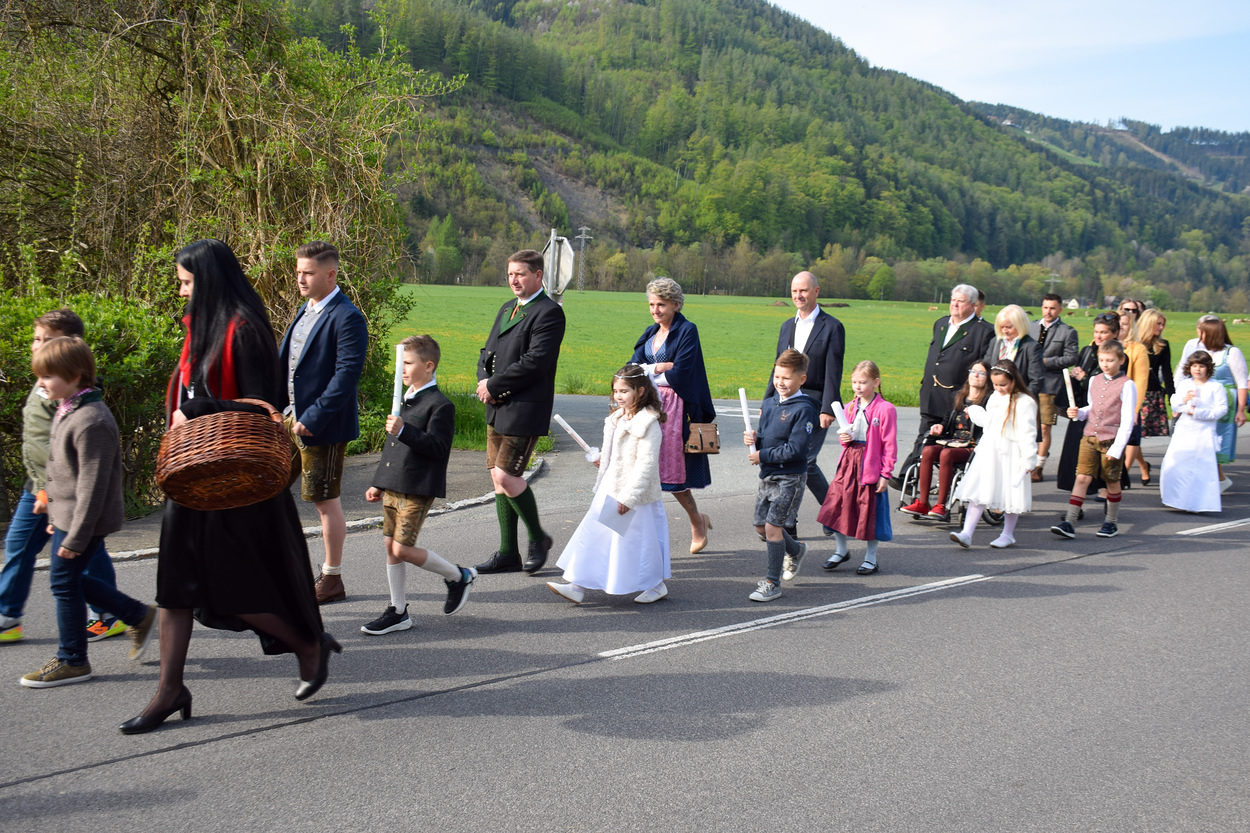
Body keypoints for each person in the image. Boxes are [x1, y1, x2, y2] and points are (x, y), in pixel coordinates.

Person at [122, 238, 338, 735]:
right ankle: (169, 690)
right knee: (174, 588)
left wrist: (195, 410)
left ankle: (308, 644)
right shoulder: (201, 330)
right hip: (193, 479)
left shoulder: (245, 331)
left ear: (209, 281)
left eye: (186, 282)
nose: (181, 292)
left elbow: (261, 407)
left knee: (232, 588)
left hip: (237, 485)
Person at [19, 337, 156, 688]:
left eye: (48, 376)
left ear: (76, 375)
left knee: (64, 583)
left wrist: (76, 536)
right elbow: (64, 470)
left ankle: (73, 660)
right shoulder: (69, 408)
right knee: (68, 580)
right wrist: (54, 512)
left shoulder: (92, 420)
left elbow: (92, 488)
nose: (41, 383)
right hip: (69, 517)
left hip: (86, 521)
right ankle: (136, 615)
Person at [1, 309, 124, 644]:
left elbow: (79, 453)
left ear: (72, 347)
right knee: (21, 547)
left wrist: (47, 489)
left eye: (48, 340)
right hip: (39, 485)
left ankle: (109, 616)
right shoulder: (47, 381)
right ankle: (8, 616)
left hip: (58, 489)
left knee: (81, 551)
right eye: (36, 339)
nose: (38, 345)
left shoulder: (72, 390)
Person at [361, 335, 475, 635]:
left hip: (418, 486)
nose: (402, 369)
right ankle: (398, 611)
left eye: (408, 363)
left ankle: (458, 576)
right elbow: (392, 448)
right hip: (393, 483)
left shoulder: (441, 405)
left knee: (402, 549)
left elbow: (438, 448)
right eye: (400, 363)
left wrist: (404, 430)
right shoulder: (404, 398)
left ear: (429, 366)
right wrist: (378, 482)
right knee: (390, 546)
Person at [278, 241, 368, 604]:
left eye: (308, 273)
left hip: (322, 427)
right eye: (298, 272)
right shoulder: (307, 308)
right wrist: (277, 408)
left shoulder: (347, 317)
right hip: (289, 419)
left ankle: (331, 579)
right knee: (269, 490)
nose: (300, 279)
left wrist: (314, 416)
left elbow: (346, 376)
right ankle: (276, 568)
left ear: (330, 275)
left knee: (324, 502)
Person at [474, 249, 567, 575]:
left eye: (521, 274)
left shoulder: (549, 313)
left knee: (506, 475)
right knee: (497, 478)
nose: (514, 280)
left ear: (537, 275)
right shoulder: (507, 308)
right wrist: (483, 381)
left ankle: (539, 538)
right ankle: (507, 553)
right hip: (497, 406)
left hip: (525, 408)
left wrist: (494, 385)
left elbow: (535, 362)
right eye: (511, 274)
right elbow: (488, 352)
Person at [547, 365, 671, 605]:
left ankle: (656, 585)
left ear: (641, 391)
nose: (618, 396)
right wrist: (602, 459)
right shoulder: (617, 418)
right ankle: (576, 586)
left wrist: (629, 497)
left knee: (638, 543)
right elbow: (616, 454)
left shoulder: (648, 424)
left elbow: (646, 464)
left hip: (634, 495)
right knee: (594, 535)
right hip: (611, 487)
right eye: (616, 391)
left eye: (624, 391)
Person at [630, 277, 717, 554]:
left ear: (676, 305)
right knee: (641, 469)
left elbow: (682, 373)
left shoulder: (687, 330)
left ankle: (696, 520)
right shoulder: (650, 332)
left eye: (661, 305)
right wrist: (658, 368)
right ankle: (641, 537)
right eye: (652, 304)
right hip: (647, 406)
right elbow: (632, 368)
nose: (655, 310)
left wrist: (650, 372)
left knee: (671, 472)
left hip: (675, 410)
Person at [765, 271, 846, 537]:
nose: (798, 296)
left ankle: (831, 512)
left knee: (806, 462)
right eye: (794, 291)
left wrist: (827, 407)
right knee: (789, 463)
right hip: (785, 402)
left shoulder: (832, 326)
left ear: (816, 292)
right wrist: (768, 401)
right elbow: (778, 367)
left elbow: (834, 370)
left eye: (803, 290)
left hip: (814, 403)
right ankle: (788, 523)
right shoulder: (786, 326)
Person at [896, 284, 993, 482]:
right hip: (931, 393)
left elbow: (982, 367)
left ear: (973, 305)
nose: (955, 304)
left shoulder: (982, 331)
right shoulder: (941, 324)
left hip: (957, 399)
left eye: (961, 301)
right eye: (953, 300)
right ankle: (909, 477)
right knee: (925, 434)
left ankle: (939, 480)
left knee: (948, 443)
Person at [742, 350, 817, 602]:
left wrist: (762, 454)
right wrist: (755, 440)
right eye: (777, 376)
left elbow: (796, 449)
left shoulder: (804, 409)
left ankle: (771, 583)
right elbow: (766, 437)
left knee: (773, 527)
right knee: (760, 526)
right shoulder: (769, 403)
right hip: (768, 473)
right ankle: (796, 550)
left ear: (801, 379)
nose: (780, 382)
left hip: (790, 477)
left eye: (786, 377)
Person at [818, 360, 897, 576]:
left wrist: (885, 474)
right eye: (854, 382)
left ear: (876, 382)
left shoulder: (886, 409)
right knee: (837, 506)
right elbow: (846, 439)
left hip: (870, 465)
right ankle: (841, 550)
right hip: (848, 462)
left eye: (863, 382)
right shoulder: (849, 407)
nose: (858, 386)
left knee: (870, 511)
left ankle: (871, 558)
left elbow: (889, 444)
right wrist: (845, 438)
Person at [949, 359, 1039, 549]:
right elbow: (989, 422)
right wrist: (975, 411)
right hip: (990, 450)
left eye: (1003, 385)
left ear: (1014, 380)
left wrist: (1028, 460)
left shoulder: (1025, 402)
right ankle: (967, 533)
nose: (999, 388)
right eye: (995, 385)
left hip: (1012, 452)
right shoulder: (995, 397)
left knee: (1010, 494)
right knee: (979, 490)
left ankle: (1007, 534)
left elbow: (1028, 433)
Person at [1052, 339, 1136, 540]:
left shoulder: (1127, 385)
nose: (1105, 364)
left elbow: (1127, 420)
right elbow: (1092, 408)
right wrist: (1079, 413)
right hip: (1089, 436)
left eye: (1110, 360)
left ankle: (1111, 522)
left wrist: (1117, 448)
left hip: (1111, 440)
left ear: (1121, 360)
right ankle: (1070, 522)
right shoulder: (1094, 380)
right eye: (1102, 360)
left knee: (1111, 481)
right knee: (1082, 477)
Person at [899, 359, 992, 522]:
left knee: (946, 454)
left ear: (988, 378)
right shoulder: (957, 396)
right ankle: (923, 503)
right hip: (952, 440)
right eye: (973, 371)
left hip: (972, 445)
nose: (975, 375)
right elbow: (947, 420)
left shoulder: (988, 400)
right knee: (928, 450)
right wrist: (940, 427)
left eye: (981, 373)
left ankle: (941, 505)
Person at [1173, 315, 1247, 491]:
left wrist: (1240, 410)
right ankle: (1215, 479)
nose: (1199, 336)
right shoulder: (1198, 350)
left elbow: (1242, 383)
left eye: (1203, 332)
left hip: (1222, 402)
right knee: (1201, 444)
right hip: (1201, 399)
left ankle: (1215, 480)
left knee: (1213, 443)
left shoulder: (1232, 353)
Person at [1055, 313, 1121, 494]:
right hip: (1083, 408)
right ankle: (1079, 496)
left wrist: (1083, 378)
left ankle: (1107, 493)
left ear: (1114, 334)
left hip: (1105, 414)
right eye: (1096, 331)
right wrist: (1073, 377)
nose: (1098, 336)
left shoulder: (1119, 356)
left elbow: (1109, 387)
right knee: (1077, 453)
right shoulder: (1087, 351)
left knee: (1104, 457)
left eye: (1104, 332)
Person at [1160, 351, 1227, 513]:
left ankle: (1198, 503)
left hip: (1204, 433)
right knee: (1176, 464)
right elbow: (1175, 404)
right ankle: (1176, 499)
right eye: (1194, 366)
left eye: (1201, 366)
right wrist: (1184, 400)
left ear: (1208, 368)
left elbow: (1221, 410)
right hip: (1184, 430)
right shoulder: (1185, 384)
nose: (1197, 369)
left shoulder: (1216, 387)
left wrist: (1198, 412)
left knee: (1200, 469)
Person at [1027, 294, 1079, 482]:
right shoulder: (1030, 327)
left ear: (1060, 310)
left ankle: (1039, 466)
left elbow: (1072, 358)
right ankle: (1027, 461)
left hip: (1050, 385)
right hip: (1027, 383)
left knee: (1044, 426)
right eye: (1045, 307)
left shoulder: (1067, 332)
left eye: (1052, 308)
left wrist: (1046, 362)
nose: (1048, 312)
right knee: (1027, 425)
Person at [1118, 311, 1150, 487]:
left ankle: (1122, 475)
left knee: (1130, 439)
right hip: (1108, 401)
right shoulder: (1104, 344)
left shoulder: (1138, 349)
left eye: (1124, 324)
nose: (1120, 327)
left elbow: (1141, 381)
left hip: (1127, 401)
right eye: (1118, 324)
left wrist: (1135, 409)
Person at [1136, 309, 1174, 456]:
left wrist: (1172, 398)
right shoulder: (1133, 343)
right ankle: (1140, 464)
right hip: (1134, 393)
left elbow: (1167, 372)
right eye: (1158, 324)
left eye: (1163, 324)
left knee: (1136, 436)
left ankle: (1136, 464)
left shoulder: (1162, 345)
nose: (1161, 327)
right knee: (1131, 434)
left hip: (1152, 394)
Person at [982, 304, 1043, 395]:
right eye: (1002, 327)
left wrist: (1021, 398)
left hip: (1020, 397)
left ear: (1020, 325)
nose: (1005, 331)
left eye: (1009, 327)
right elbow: (987, 367)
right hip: (995, 396)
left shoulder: (1031, 346)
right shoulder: (995, 342)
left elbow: (1036, 380)